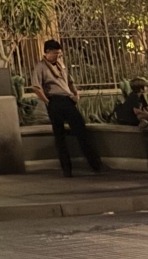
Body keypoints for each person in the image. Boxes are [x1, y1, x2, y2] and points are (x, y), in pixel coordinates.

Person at [30, 40, 103, 177]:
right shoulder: (40, 67)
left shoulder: (60, 64)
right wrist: (47, 101)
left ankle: (95, 164)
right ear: (47, 52)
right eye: (55, 53)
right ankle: (67, 169)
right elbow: (36, 87)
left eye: (59, 54)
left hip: (67, 100)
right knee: (60, 136)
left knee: (81, 129)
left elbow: (69, 80)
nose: (57, 56)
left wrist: (75, 93)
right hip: (54, 100)